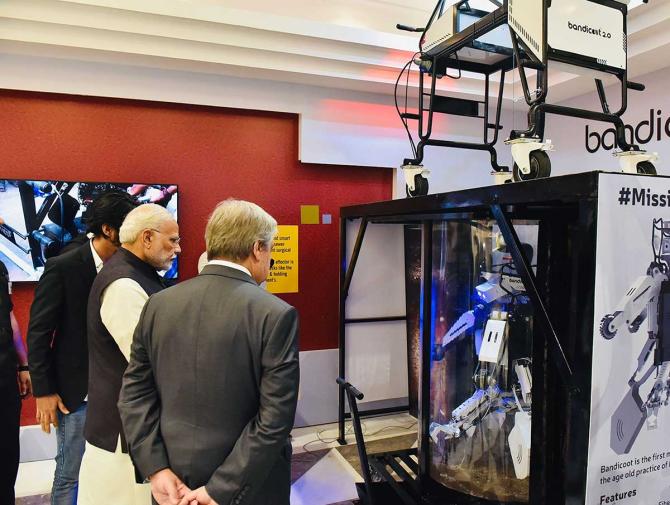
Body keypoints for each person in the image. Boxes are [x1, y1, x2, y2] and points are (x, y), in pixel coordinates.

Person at [119, 199, 299, 505]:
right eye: (270, 248)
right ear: (257, 248)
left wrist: (156, 469)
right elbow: (274, 418)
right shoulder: (275, 314)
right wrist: (221, 488)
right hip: (247, 488)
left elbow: (134, 394)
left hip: (172, 483)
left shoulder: (158, 305)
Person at [27, 191, 139, 505]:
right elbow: (39, 332)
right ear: (109, 230)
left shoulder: (134, 269)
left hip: (120, 391)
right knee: (70, 473)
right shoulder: (64, 266)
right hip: (77, 394)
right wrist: (44, 390)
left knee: (113, 472)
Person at [77, 204, 181, 505]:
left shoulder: (137, 275)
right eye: (172, 240)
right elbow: (149, 360)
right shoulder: (124, 284)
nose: (178, 248)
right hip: (121, 437)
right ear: (146, 237)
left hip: (131, 429)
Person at [0, 258, 32, 504]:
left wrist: (23, 365)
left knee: (7, 455)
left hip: (4, 377)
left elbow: (8, 316)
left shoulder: (0, 268)